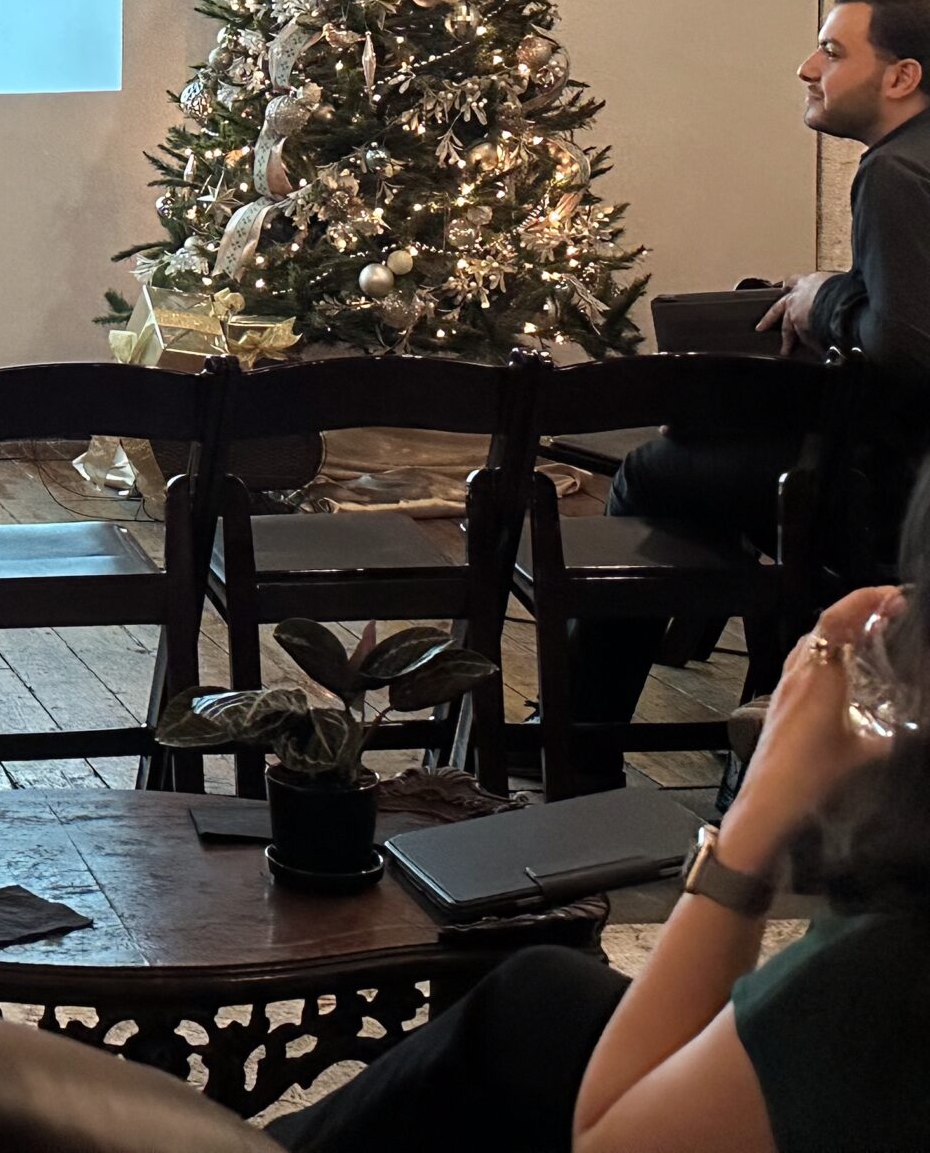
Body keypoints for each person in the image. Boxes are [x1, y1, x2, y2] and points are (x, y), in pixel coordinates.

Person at [268, 473, 928, 1153]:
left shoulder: (882, 972)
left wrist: (758, 815)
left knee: (652, 477)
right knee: (543, 998)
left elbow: (610, 1143)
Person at [569, 0, 930, 789]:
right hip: (903, 476)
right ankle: (756, 702)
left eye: (833, 52)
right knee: (692, 456)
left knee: (653, 470)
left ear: (901, 77)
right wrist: (829, 289)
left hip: (888, 496)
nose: (808, 67)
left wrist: (825, 299)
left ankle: (584, 742)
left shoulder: (894, 174)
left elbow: (907, 347)